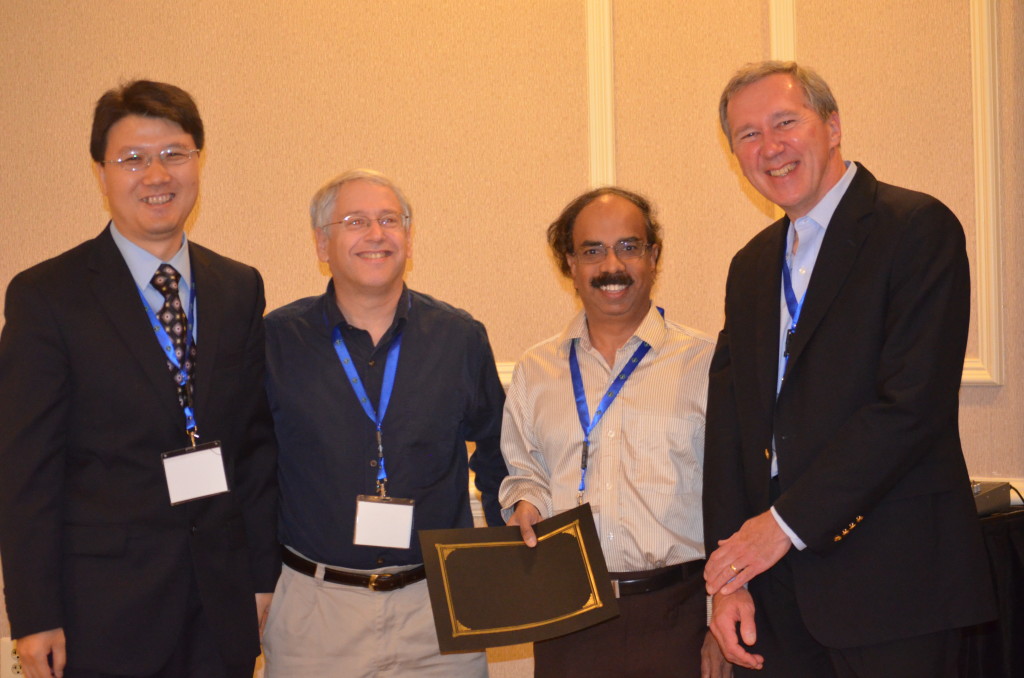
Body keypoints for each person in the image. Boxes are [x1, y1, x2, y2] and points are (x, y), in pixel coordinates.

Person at [703, 60, 997, 677]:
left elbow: (912, 407)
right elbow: (730, 431)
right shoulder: (750, 266)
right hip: (776, 599)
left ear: (832, 126)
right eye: (748, 135)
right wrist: (728, 577)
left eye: (786, 122)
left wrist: (781, 526)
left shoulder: (916, 228)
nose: (770, 147)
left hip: (897, 587)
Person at [0, 80, 278, 678]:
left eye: (175, 154)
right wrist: (31, 614)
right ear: (101, 173)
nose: (157, 174)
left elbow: (254, 449)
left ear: (199, 162)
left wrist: (261, 577)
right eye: (133, 158)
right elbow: (26, 469)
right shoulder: (47, 296)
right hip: (100, 613)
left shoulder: (238, 287)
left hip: (221, 605)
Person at [261, 169, 507, 677]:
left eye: (389, 220)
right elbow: (250, 474)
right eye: (355, 221)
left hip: (436, 614)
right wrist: (255, 584)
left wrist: (502, 571)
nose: (376, 234)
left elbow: (498, 452)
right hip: (315, 612)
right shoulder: (275, 341)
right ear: (322, 243)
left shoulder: (459, 338)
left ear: (409, 238)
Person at [500, 187, 729, 678]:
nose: (611, 266)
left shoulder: (709, 364)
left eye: (629, 246)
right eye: (592, 251)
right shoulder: (535, 370)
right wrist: (526, 502)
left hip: (679, 615)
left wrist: (719, 619)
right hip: (566, 616)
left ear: (654, 256)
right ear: (570, 263)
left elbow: (734, 496)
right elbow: (525, 471)